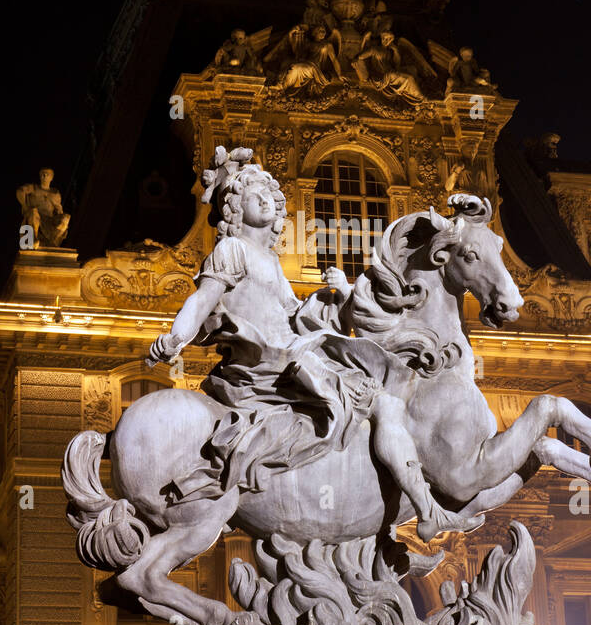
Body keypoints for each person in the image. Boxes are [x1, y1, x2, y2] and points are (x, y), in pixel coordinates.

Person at [148, 147, 453, 536]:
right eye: (254, 192)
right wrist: (176, 337)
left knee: (376, 377)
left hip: (291, 346)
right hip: (271, 359)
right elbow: (202, 298)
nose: (268, 198)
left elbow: (292, 312)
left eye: (268, 192)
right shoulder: (232, 249)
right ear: (236, 207)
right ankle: (427, 507)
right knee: (379, 398)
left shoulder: (270, 260)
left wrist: (336, 298)